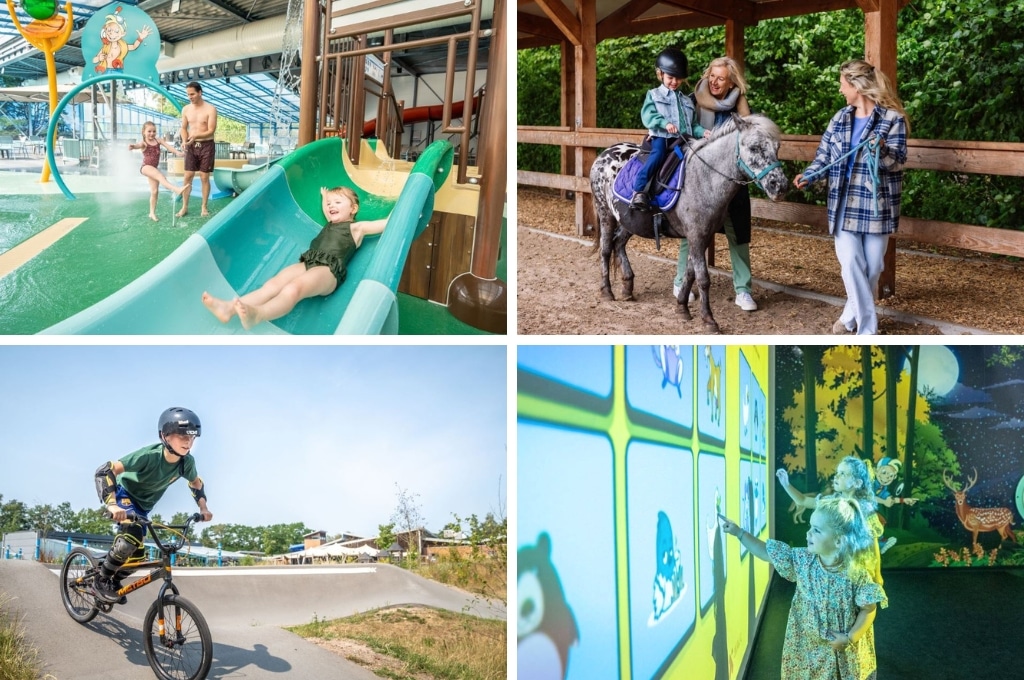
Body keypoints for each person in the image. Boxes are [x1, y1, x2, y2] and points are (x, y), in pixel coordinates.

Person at [794, 60, 909, 335]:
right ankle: (867, 330)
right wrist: (810, 175)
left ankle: (848, 317)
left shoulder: (892, 120)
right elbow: (823, 157)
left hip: (876, 207)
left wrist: (881, 149)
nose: (840, 89)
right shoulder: (840, 118)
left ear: (857, 86)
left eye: (843, 84)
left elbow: (897, 162)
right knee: (851, 264)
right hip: (843, 204)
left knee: (873, 268)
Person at [719, 496, 885, 680]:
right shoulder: (803, 560)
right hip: (807, 648)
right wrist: (740, 533)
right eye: (810, 527)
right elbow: (767, 552)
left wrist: (850, 638)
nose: (808, 534)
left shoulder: (857, 573)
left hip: (842, 648)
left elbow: (869, 609)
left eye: (816, 530)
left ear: (839, 541)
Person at [201, 186, 388, 330]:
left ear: (353, 208)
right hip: (309, 262)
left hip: (328, 271)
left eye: (338, 202)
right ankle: (228, 309)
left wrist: (407, 208)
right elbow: (327, 208)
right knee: (272, 285)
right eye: (330, 203)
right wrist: (326, 197)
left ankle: (258, 314)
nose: (331, 206)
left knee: (293, 289)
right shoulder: (331, 220)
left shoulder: (357, 228)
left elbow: (385, 224)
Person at [92, 407, 212, 603]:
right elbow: (107, 470)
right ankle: (101, 579)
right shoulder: (149, 456)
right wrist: (112, 505)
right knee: (132, 537)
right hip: (125, 497)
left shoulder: (186, 463)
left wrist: (203, 508)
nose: (188, 442)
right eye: (182, 436)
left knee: (138, 557)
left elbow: (196, 482)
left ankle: (114, 581)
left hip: (143, 508)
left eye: (191, 437)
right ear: (165, 436)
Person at [673, 57, 758, 312]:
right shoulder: (693, 99)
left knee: (738, 233)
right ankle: (680, 282)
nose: (715, 81)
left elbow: (750, 139)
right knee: (693, 233)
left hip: (733, 180)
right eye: (712, 76)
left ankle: (743, 290)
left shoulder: (741, 106)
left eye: (721, 78)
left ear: (732, 82)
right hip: (700, 179)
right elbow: (684, 131)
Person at [777, 456, 885, 585]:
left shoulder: (865, 510)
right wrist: (786, 484)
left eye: (843, 474)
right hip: (835, 566)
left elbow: (873, 544)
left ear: (857, 483)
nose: (837, 476)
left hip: (858, 566)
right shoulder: (831, 502)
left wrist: (877, 574)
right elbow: (803, 501)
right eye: (837, 473)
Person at [630, 48, 704, 211]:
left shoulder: (687, 100)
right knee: (658, 155)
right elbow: (648, 115)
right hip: (661, 137)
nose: (674, 82)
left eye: (678, 79)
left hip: (683, 140)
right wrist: (664, 123)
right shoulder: (654, 95)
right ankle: (639, 189)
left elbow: (693, 125)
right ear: (660, 74)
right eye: (670, 77)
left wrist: (703, 132)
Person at [128, 121, 184, 222]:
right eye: (149, 131)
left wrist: (177, 152)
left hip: (153, 168)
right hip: (146, 167)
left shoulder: (158, 140)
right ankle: (176, 189)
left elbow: (168, 147)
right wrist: (133, 146)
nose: (152, 133)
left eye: (154, 131)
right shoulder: (144, 143)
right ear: (143, 132)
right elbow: (138, 145)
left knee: (154, 191)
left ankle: (152, 213)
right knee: (161, 176)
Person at [178, 81, 218, 218]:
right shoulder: (186, 109)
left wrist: (195, 135)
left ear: (200, 92)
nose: (190, 97)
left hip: (206, 145)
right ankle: (184, 207)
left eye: (192, 94)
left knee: (204, 177)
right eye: (188, 94)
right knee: (187, 176)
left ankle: (204, 207)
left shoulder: (210, 109)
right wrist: (184, 141)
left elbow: (211, 130)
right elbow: (183, 128)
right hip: (191, 146)